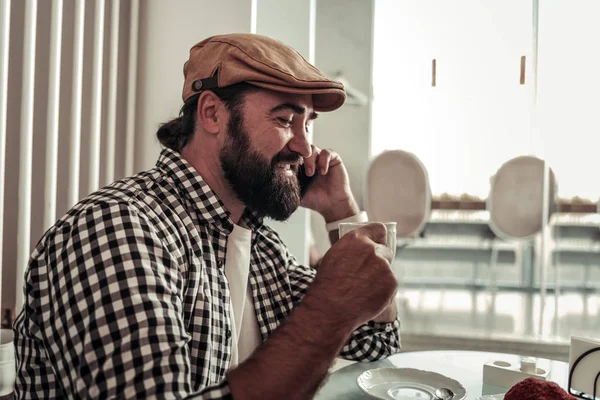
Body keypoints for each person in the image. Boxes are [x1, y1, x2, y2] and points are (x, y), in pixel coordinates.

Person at [13, 33, 400, 399]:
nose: (304, 146)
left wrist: (341, 212)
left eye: (308, 124)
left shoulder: (261, 247)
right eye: (284, 120)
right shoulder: (117, 229)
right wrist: (327, 306)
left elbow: (375, 340)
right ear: (212, 113)